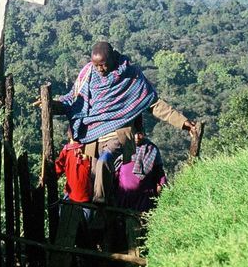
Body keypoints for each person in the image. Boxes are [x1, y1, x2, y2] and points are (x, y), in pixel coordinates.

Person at [54, 41, 194, 203]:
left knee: (104, 161)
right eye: (96, 65)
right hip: (92, 136)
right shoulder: (88, 74)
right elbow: (72, 100)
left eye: (103, 65)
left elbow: (154, 103)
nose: (100, 69)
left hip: (119, 135)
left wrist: (183, 122)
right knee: (95, 177)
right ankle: (100, 218)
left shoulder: (131, 75)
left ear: (113, 57)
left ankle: (100, 205)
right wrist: (51, 105)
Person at [114, 114, 167, 213]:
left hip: (143, 198)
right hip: (123, 196)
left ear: (144, 132)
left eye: (140, 133)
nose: (137, 137)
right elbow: (115, 171)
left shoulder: (151, 149)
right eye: (134, 133)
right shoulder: (122, 147)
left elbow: (159, 171)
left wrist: (161, 185)